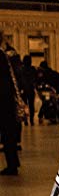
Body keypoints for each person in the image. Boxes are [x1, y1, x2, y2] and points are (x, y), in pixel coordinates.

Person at [0, 32, 20, 175]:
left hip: (3, 100)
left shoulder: (1, 56)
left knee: (7, 133)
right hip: (7, 99)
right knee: (9, 132)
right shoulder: (5, 56)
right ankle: (13, 163)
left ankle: (12, 165)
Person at [20, 55, 37, 126]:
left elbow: (20, 80)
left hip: (23, 90)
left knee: (25, 105)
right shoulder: (33, 69)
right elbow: (35, 78)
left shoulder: (21, 69)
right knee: (31, 105)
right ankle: (31, 120)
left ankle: (25, 120)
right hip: (31, 89)